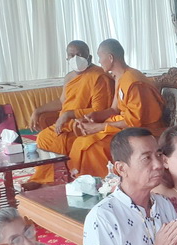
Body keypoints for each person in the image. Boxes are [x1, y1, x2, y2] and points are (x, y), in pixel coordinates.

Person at [24, 40, 113, 190]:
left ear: (89, 57)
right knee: (44, 137)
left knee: (62, 141)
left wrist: (70, 114)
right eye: (72, 55)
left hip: (85, 124)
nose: (76, 59)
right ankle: (43, 178)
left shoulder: (99, 77)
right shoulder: (69, 77)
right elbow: (62, 102)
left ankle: (58, 180)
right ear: (67, 58)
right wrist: (38, 110)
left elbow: (99, 110)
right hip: (66, 125)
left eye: (80, 55)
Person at [69, 39, 165, 179]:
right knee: (81, 141)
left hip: (144, 130)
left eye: (100, 57)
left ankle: (106, 183)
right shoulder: (119, 77)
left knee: (92, 146)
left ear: (110, 58)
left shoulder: (133, 81)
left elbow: (135, 121)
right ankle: (85, 181)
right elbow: (114, 109)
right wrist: (94, 116)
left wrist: (99, 127)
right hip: (126, 126)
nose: (99, 61)